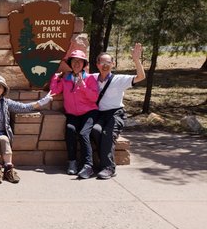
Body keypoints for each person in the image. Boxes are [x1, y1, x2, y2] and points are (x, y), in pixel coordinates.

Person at [90, 43, 145, 179]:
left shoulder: (119, 79)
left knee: (108, 134)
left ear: (113, 64)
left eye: (108, 62)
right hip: (100, 115)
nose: (105, 65)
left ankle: (109, 168)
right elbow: (75, 76)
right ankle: (101, 162)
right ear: (97, 64)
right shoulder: (92, 78)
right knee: (95, 131)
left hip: (116, 113)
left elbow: (140, 77)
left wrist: (136, 60)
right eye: (102, 62)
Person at [50, 49, 99, 179]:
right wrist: (56, 78)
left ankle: (88, 166)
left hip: (89, 112)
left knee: (83, 133)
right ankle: (72, 162)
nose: (77, 64)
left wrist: (83, 86)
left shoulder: (89, 78)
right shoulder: (66, 78)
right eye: (74, 61)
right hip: (72, 114)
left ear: (84, 64)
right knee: (70, 130)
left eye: (80, 61)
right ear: (70, 63)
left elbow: (94, 98)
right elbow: (54, 91)